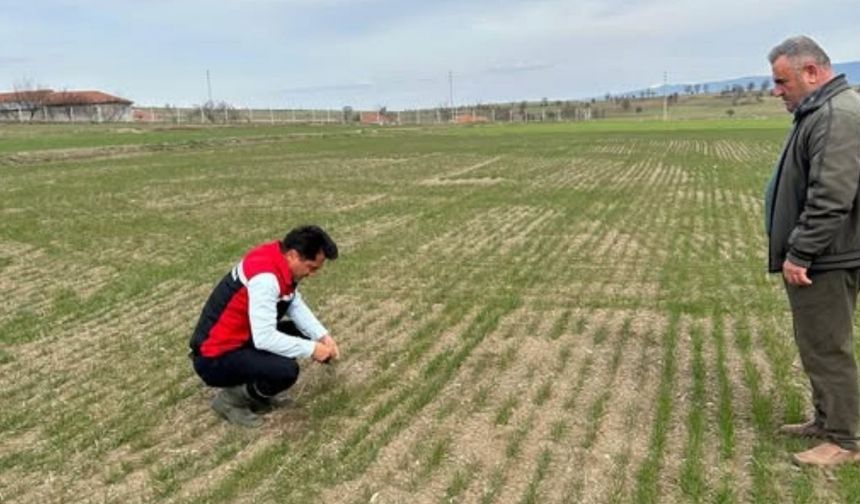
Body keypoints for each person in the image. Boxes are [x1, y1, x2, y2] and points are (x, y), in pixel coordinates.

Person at [765, 35, 860, 465]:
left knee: (826, 347)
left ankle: (845, 441)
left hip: (827, 256)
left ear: (811, 72)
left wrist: (800, 252)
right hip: (831, 251)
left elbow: (831, 194)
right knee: (818, 344)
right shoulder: (824, 110)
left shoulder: (836, 115)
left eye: (782, 81)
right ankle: (827, 420)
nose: (776, 90)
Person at [189, 225, 340, 427]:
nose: (312, 274)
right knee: (285, 371)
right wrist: (312, 349)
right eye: (311, 268)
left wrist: (322, 337)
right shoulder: (266, 278)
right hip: (214, 356)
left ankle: (257, 393)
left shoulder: (278, 259)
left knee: (302, 335)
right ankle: (229, 402)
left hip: (241, 339)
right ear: (294, 255)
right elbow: (265, 338)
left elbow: (293, 302)